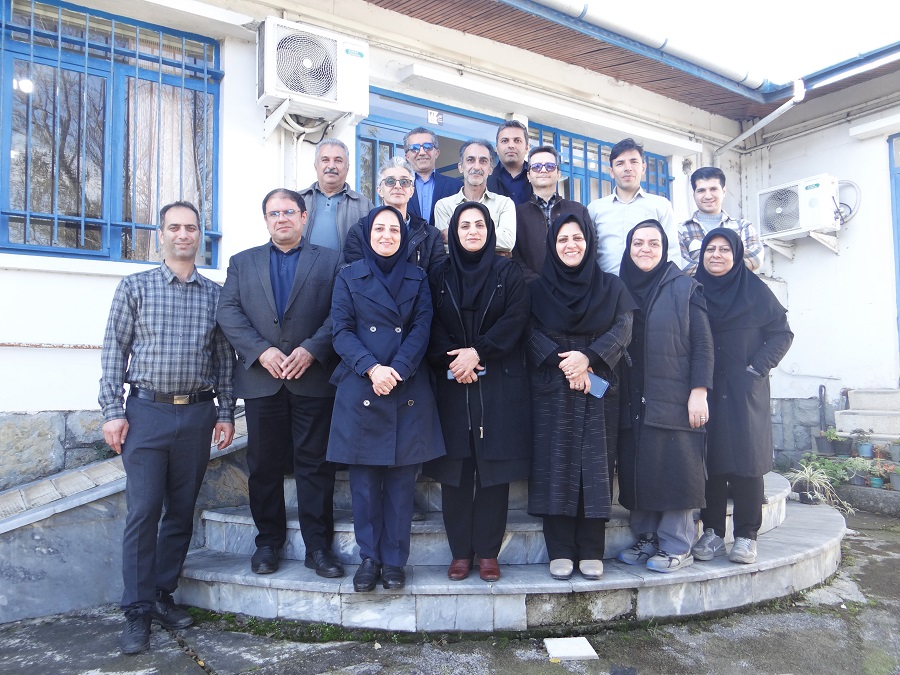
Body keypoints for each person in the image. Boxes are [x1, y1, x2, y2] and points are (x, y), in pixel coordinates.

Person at [99, 200, 235, 655]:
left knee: (181, 510)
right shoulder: (134, 287)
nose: (183, 235)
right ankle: (137, 609)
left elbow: (224, 360)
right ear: (161, 235)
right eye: (174, 227)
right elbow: (113, 351)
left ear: (200, 236)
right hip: (146, 413)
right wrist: (112, 411)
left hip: (196, 414)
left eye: (191, 228)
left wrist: (225, 412)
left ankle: (161, 594)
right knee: (143, 511)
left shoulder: (215, 295)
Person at [217, 188, 344, 579]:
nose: (282, 218)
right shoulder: (242, 262)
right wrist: (261, 351)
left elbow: (341, 311)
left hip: (313, 378)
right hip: (263, 379)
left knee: (315, 466)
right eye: (274, 213)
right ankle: (267, 543)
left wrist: (312, 349)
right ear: (266, 220)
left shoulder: (331, 260)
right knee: (263, 466)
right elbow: (228, 311)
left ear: (304, 217)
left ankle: (318, 548)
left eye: (289, 211)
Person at [327, 205, 446, 592]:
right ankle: (369, 558)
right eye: (379, 229)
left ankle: (394, 560)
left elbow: (422, 327)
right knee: (363, 485)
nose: (386, 236)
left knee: (401, 483)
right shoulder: (348, 276)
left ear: (403, 237)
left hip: (406, 385)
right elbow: (341, 330)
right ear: (367, 234)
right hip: (362, 384)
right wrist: (372, 369)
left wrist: (396, 369)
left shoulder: (418, 276)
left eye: (394, 230)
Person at [424, 201, 532, 582]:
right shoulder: (438, 274)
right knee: (456, 472)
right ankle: (460, 553)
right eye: (465, 225)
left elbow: (516, 319)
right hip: (452, 383)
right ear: (453, 232)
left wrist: (478, 352)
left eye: (479, 225)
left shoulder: (508, 272)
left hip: (497, 383)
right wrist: (457, 361)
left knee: (493, 473)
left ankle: (487, 552)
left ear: (490, 231)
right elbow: (429, 322)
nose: (472, 231)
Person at [526, 213, 636, 580]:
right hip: (552, 381)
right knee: (554, 462)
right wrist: (568, 365)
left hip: (598, 379)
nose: (570, 245)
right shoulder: (536, 289)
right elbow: (527, 330)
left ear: (589, 243)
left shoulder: (612, 287)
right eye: (562, 239)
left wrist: (587, 359)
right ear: (552, 245)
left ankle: (591, 548)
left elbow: (624, 328)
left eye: (577, 238)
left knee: (595, 464)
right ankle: (559, 549)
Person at [616, 220, 714, 573]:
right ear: (629, 248)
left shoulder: (685, 288)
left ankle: (676, 545)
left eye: (653, 243)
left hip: (673, 393)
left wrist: (699, 391)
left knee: (675, 469)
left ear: (664, 248)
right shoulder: (619, 286)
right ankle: (647, 538)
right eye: (638, 242)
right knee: (639, 467)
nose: (645, 249)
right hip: (632, 395)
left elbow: (703, 343)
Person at [692, 228, 793, 565]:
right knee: (711, 460)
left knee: (748, 462)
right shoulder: (695, 289)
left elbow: (781, 333)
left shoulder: (754, 290)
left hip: (745, 389)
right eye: (710, 249)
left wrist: (757, 368)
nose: (716, 255)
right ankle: (712, 533)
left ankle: (747, 536)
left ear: (736, 255)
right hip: (706, 388)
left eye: (724, 249)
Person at [587, 138, 679, 274]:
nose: (628, 168)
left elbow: (672, 251)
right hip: (606, 285)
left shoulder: (661, 206)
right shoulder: (595, 209)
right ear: (611, 172)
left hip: (651, 285)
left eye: (634, 162)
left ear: (643, 168)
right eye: (620, 163)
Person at [344, 156, 446, 272]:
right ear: (379, 190)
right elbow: (356, 276)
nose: (398, 186)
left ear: (411, 191)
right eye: (390, 181)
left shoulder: (431, 235)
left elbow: (438, 278)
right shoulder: (359, 232)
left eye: (404, 182)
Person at [513, 145, 590, 280]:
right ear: (528, 175)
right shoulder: (517, 214)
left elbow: (590, 249)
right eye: (536, 167)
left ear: (558, 174)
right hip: (531, 288)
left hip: (573, 286)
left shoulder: (579, 210)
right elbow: (514, 255)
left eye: (549, 166)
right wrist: (537, 283)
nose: (543, 170)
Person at [434, 140, 516, 254]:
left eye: (483, 161)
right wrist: (492, 242)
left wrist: (455, 234)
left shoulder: (504, 204)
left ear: (490, 169)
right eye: (470, 160)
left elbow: (507, 242)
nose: (477, 167)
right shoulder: (444, 206)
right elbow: (446, 249)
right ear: (460, 167)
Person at [679, 166, 765, 275]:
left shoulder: (743, 227)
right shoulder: (681, 231)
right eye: (701, 191)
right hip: (696, 287)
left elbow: (755, 258)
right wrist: (728, 264)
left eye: (713, 189)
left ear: (724, 191)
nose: (708, 196)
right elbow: (680, 265)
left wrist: (712, 267)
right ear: (694, 194)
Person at [299, 139, 375, 251]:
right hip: (302, 263)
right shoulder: (297, 200)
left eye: (338, 161)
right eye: (325, 160)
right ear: (316, 166)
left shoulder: (365, 206)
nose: (331, 166)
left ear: (347, 168)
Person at [403, 127, 463, 226]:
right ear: (407, 156)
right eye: (414, 148)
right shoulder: (399, 188)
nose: (422, 153)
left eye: (428, 146)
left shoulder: (456, 186)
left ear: (437, 153)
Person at [487, 120, 533, 205]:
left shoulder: (538, 177)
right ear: (497, 148)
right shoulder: (486, 180)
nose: (511, 145)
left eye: (517, 140)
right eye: (505, 141)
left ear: (527, 148)